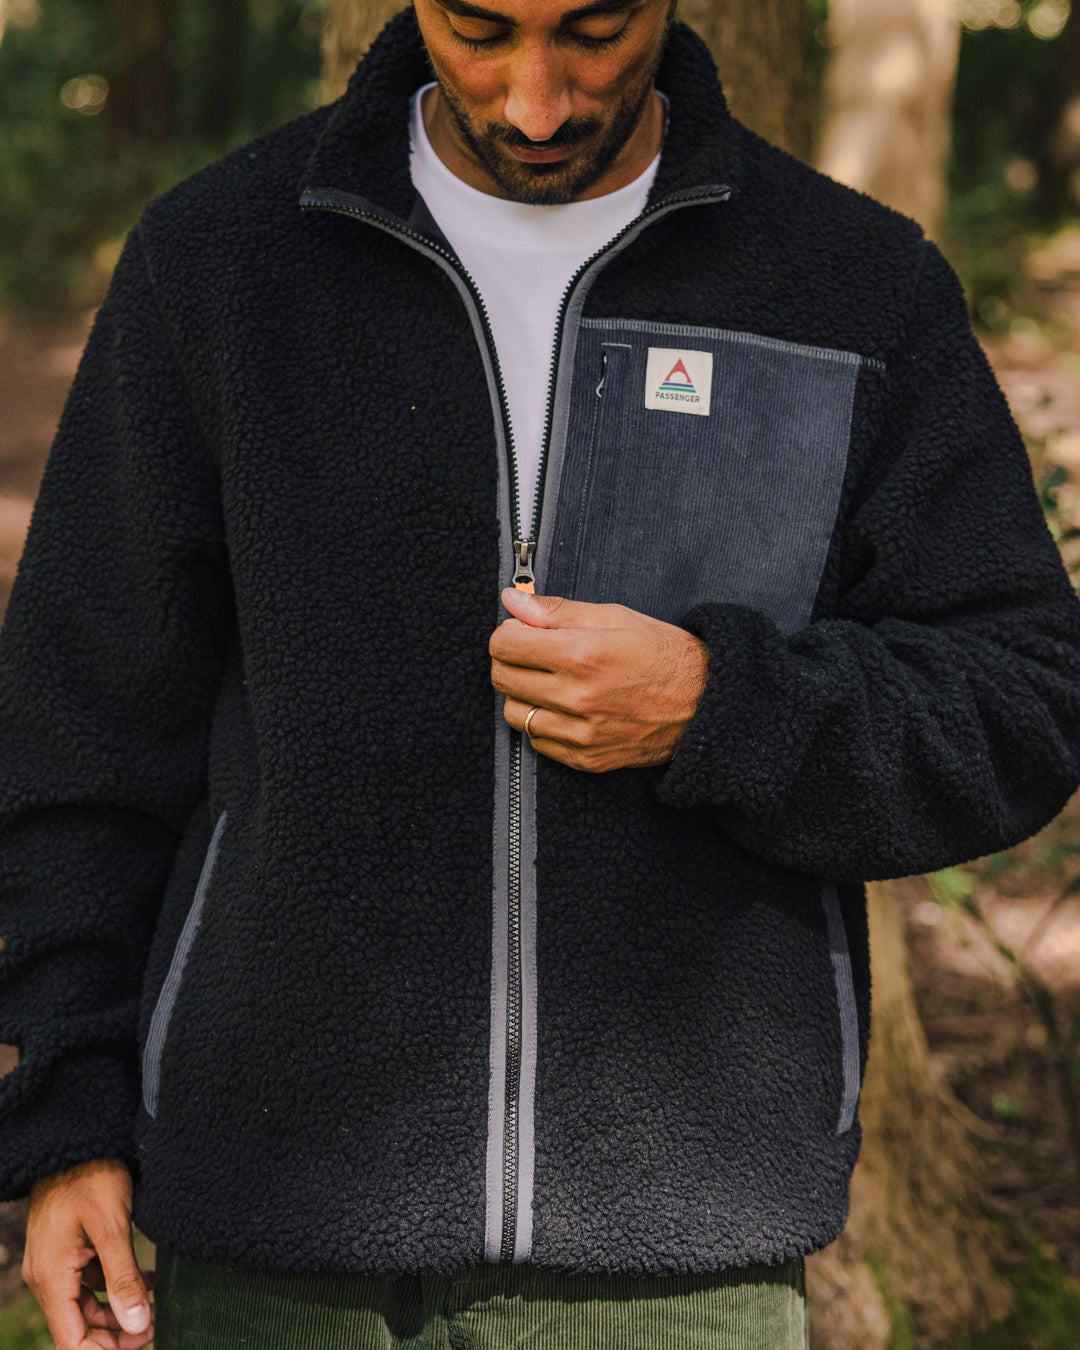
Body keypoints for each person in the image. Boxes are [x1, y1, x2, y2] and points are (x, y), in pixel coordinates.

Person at [3, 1, 1080, 1346]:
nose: (535, 101)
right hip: (272, 1230)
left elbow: (1024, 697)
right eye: (480, 30)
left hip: (681, 1257)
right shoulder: (221, 263)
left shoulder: (849, 284)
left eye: (593, 31)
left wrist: (720, 707)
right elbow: (80, 732)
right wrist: (69, 1122)